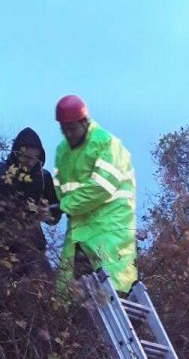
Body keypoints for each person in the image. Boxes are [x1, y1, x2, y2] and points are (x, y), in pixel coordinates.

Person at [53, 94, 137, 294]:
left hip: (108, 226)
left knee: (111, 287)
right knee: (70, 293)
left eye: (72, 129)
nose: (69, 134)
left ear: (84, 122)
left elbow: (100, 187)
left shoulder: (106, 144)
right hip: (79, 229)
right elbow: (60, 187)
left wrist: (62, 206)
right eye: (65, 130)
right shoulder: (62, 151)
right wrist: (51, 206)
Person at [0, 127, 60, 261]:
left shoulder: (44, 178)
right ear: (16, 153)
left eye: (35, 158)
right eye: (27, 157)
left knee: (43, 280)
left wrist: (48, 213)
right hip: (0, 248)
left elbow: (56, 212)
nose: (31, 162)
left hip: (34, 248)